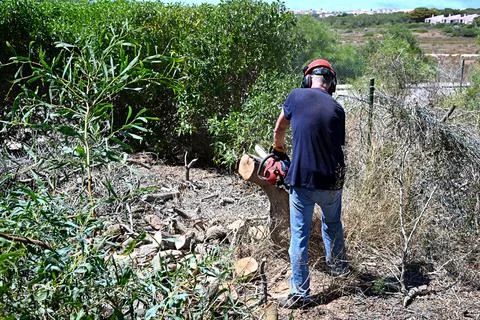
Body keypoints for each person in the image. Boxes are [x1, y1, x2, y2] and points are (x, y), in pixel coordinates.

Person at [272, 59, 348, 309]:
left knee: (300, 235)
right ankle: (339, 271)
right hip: (332, 180)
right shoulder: (338, 109)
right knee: (333, 223)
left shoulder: (296, 96)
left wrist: (279, 151)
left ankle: (300, 294)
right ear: (331, 83)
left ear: (307, 79)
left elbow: (279, 128)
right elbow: (335, 144)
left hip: (302, 180)